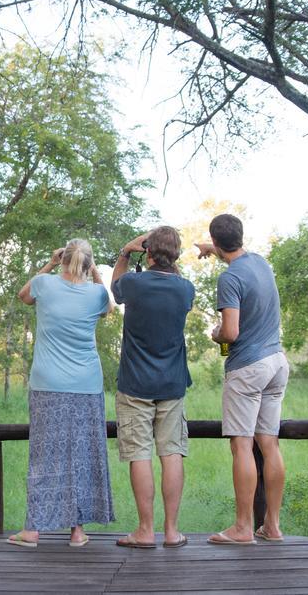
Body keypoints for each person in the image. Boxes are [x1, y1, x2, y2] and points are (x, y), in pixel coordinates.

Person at [7, 238, 115, 548]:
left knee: (45, 457)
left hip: (48, 384)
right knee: (81, 456)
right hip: (86, 385)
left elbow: (23, 296)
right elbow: (108, 308)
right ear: (88, 262)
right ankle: (77, 532)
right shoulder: (96, 293)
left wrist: (50, 264)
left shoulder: (44, 284)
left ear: (63, 258)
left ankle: (32, 530)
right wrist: (95, 274)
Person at [197, 213, 288, 545]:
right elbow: (235, 248)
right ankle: (273, 526)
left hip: (248, 367)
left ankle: (242, 528)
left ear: (218, 244)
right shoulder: (260, 263)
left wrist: (216, 335)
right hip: (277, 362)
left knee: (241, 445)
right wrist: (214, 247)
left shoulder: (230, 279)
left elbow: (231, 332)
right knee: (269, 443)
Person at [111, 226, 196, 549]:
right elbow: (172, 277)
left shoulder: (133, 284)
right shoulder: (185, 289)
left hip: (135, 384)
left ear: (147, 253)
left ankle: (145, 530)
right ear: (176, 256)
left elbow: (115, 288)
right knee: (172, 452)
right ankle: (172, 531)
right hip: (172, 384)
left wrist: (125, 252)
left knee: (139, 455)